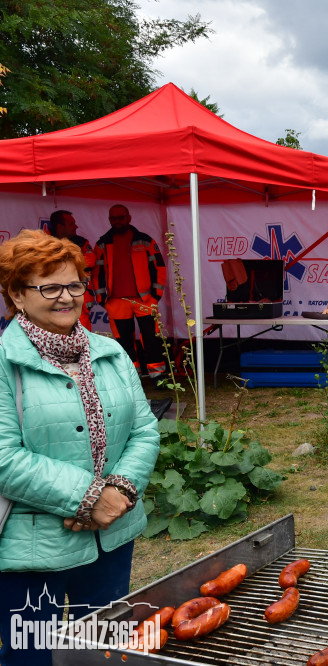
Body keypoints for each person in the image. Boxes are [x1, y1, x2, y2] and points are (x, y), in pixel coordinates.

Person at [0, 230, 160, 666]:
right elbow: (4, 456)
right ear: (17, 293)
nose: (66, 297)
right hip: (32, 548)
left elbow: (145, 430)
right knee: (30, 655)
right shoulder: (4, 361)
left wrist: (121, 492)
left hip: (112, 536)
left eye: (74, 284)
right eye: (48, 286)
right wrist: (90, 497)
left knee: (105, 651)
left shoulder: (109, 351)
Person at [92, 204, 167, 377]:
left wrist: (155, 295)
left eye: (121, 217)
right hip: (116, 302)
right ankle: (131, 376)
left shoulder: (145, 240)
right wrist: (102, 298)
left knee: (152, 339)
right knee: (123, 342)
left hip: (145, 299)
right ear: (109, 220)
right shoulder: (102, 243)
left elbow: (159, 267)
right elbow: (97, 273)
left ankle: (158, 376)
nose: (117, 221)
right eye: (114, 218)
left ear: (129, 218)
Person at [49, 209, 96, 331]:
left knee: (83, 336)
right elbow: (45, 267)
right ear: (60, 227)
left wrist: (62, 264)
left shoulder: (81, 242)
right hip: (54, 299)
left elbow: (90, 260)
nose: (76, 226)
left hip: (80, 300)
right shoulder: (45, 244)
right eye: (71, 224)